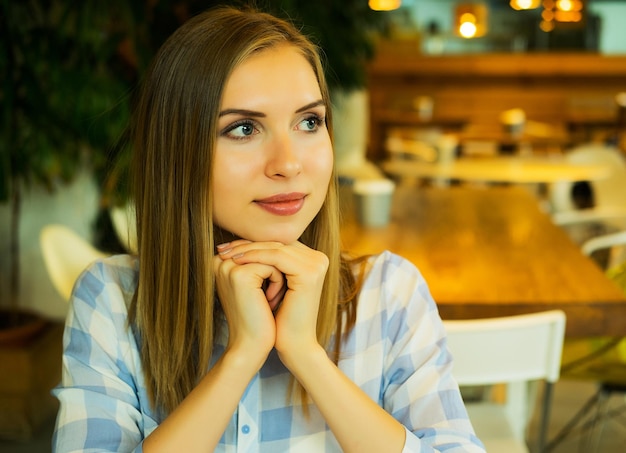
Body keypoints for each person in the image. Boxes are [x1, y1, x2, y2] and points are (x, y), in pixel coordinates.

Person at [53, 6, 485, 452]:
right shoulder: (112, 300)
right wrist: (242, 355)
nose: (289, 163)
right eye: (243, 128)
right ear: (179, 151)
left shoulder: (388, 294)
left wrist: (306, 355)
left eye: (309, 122)